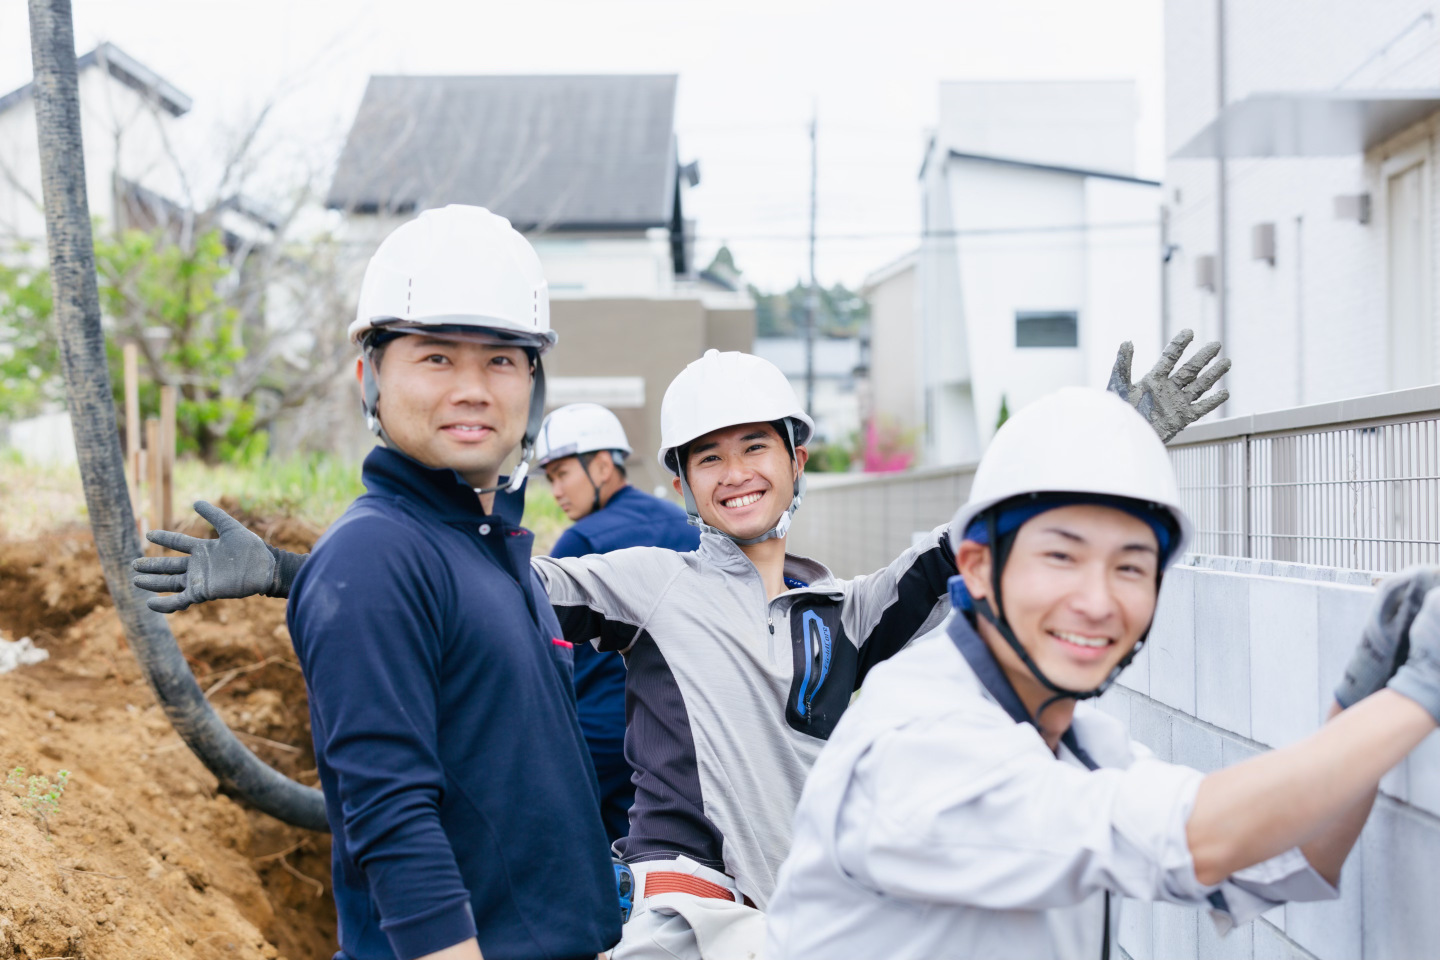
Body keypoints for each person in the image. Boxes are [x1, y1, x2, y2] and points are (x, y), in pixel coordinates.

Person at [136, 337, 1229, 960]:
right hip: (686, 911)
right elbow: (472, 589)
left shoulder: (843, 610)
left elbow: (957, 556)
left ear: (798, 458)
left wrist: (1092, 450)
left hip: (808, 917)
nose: (736, 473)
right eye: (709, 458)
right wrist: (291, 568)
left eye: (756, 448)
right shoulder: (647, 581)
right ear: (681, 483)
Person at [765, 387, 1440, 960]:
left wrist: (1362, 699)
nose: (1097, 601)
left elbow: (1282, 861)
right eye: (1061, 557)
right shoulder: (917, 741)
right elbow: (1204, 838)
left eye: (1131, 567)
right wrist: (1421, 694)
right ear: (977, 567)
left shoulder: (1080, 743)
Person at [139, 205, 620, 960]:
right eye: (436, 358)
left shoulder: (489, 551)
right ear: (369, 377)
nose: (472, 388)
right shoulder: (374, 554)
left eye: (501, 360)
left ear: (533, 382)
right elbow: (391, 817)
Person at [533, 402, 699, 842]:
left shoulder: (582, 540)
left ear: (603, 466)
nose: (556, 490)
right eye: (550, 478)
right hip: (681, 732)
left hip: (599, 733)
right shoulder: (684, 523)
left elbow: (546, 645)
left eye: (562, 474)